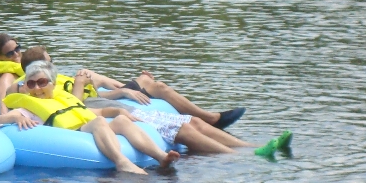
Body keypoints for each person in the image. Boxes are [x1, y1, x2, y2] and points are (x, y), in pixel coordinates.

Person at [0, 60, 181, 175]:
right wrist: (14, 119)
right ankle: (121, 161)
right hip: (72, 135)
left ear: (53, 83)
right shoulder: (28, 108)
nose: (37, 88)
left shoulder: (64, 98)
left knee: (121, 121)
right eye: (31, 84)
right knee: (98, 123)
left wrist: (119, 111)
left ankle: (161, 157)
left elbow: (93, 113)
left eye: (42, 82)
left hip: (84, 127)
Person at [18, 46, 246, 130]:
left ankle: (209, 117)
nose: (53, 65)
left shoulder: (59, 78)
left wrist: (125, 87)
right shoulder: (40, 88)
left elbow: (99, 92)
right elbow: (80, 105)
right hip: (97, 105)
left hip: (104, 97)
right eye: (49, 62)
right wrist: (124, 92)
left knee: (151, 82)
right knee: (157, 87)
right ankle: (211, 119)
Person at [74, 70, 292, 155]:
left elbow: (110, 85)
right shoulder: (61, 91)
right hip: (119, 114)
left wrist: (131, 87)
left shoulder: (74, 78)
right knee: (184, 129)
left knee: (193, 122)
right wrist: (79, 84)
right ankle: (248, 158)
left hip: (127, 107)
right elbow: (75, 106)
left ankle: (253, 147)